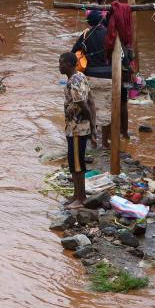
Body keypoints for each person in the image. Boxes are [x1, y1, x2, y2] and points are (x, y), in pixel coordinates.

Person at [59, 52, 95, 209]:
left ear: (68, 64)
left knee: (77, 164)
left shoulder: (72, 83)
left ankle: (81, 198)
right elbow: (92, 100)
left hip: (76, 129)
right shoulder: (81, 75)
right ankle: (76, 195)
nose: (59, 66)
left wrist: (92, 127)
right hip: (79, 128)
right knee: (74, 163)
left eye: (61, 63)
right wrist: (92, 126)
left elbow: (85, 106)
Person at [72, 10, 111, 148]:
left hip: (89, 77)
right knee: (107, 110)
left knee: (90, 109)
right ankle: (105, 142)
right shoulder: (109, 34)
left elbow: (73, 52)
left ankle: (92, 138)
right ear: (101, 21)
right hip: (108, 77)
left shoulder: (85, 34)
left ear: (89, 23)